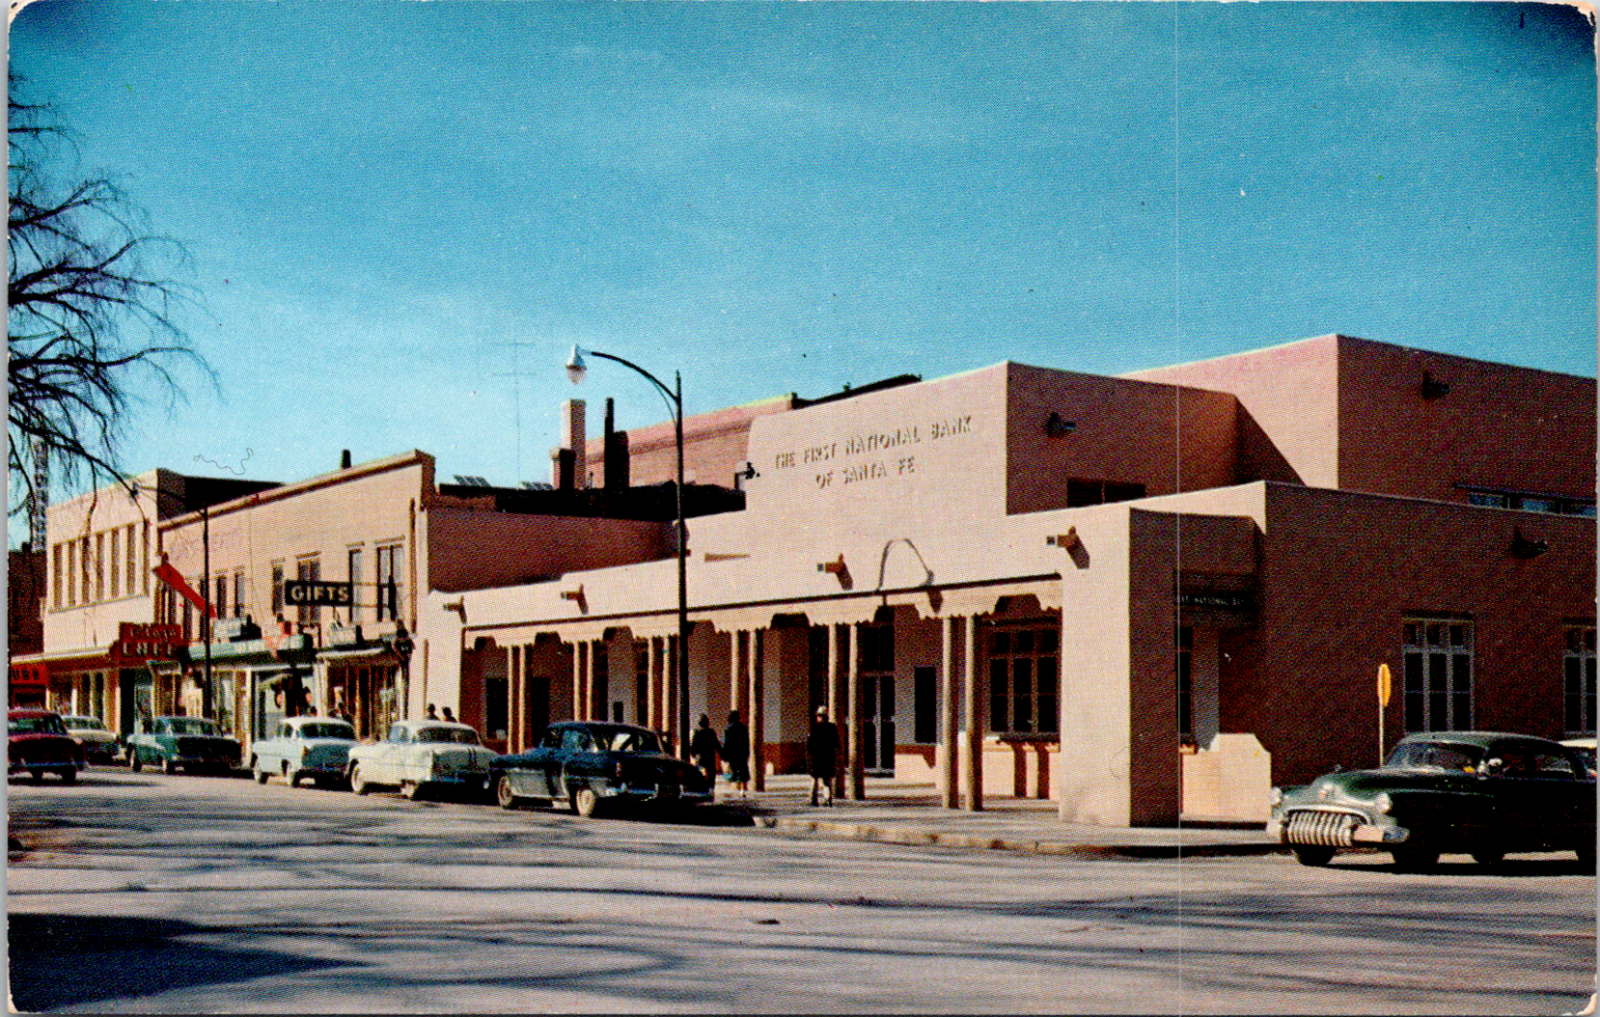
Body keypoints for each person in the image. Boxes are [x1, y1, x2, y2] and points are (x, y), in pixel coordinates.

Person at [807, 707, 840, 807]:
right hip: (828, 757)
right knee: (827, 780)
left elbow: (810, 744)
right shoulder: (832, 727)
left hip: (817, 757)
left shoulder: (815, 728)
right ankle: (828, 799)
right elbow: (836, 743)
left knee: (814, 779)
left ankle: (813, 800)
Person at [722, 710, 751, 799]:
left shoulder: (727, 728)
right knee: (743, 772)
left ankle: (728, 788)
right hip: (741, 752)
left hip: (732, 753)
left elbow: (726, 742)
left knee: (730, 771)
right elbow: (746, 741)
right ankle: (742, 790)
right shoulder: (743, 728)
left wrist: (724, 754)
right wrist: (747, 752)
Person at [689, 714, 721, 787]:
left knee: (700, 773)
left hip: (700, 757)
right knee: (711, 775)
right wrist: (722, 754)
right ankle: (711, 788)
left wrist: (693, 754)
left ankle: (701, 787)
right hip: (710, 757)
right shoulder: (711, 732)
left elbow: (693, 745)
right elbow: (716, 744)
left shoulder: (696, 732)